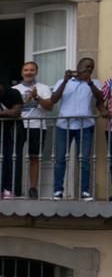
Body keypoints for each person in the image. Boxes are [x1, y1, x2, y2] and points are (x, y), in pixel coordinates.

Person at [42, 56, 102, 200]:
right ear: (78, 66)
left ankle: (85, 191)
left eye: (91, 67)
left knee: (85, 160)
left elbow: (100, 97)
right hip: (64, 126)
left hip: (85, 126)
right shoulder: (63, 82)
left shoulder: (95, 83)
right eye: (86, 66)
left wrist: (90, 83)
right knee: (60, 159)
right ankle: (58, 191)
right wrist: (64, 80)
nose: (88, 69)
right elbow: (54, 100)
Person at [13, 61, 51, 198]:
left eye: (32, 70)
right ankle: (15, 188)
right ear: (22, 72)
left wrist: (36, 97)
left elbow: (49, 107)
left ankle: (33, 188)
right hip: (19, 125)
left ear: (36, 72)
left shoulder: (43, 88)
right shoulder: (15, 89)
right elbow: (12, 109)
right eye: (26, 70)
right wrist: (27, 100)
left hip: (37, 125)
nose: (29, 72)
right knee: (15, 156)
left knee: (34, 157)